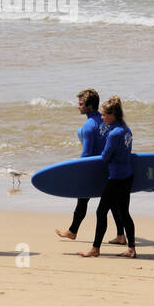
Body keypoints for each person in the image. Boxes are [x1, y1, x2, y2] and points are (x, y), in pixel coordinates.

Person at [55, 88, 121, 242]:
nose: (78, 106)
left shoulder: (89, 126)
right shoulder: (105, 119)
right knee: (112, 202)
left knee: (83, 199)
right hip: (109, 167)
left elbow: (86, 154)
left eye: (81, 103)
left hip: (95, 168)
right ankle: (120, 235)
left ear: (90, 106)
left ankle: (72, 231)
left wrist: (77, 171)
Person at [79, 95, 136, 259]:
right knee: (124, 212)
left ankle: (95, 248)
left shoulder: (114, 134)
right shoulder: (126, 131)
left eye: (104, 115)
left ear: (113, 115)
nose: (102, 118)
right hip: (127, 176)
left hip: (116, 178)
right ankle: (131, 248)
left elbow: (105, 157)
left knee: (101, 211)